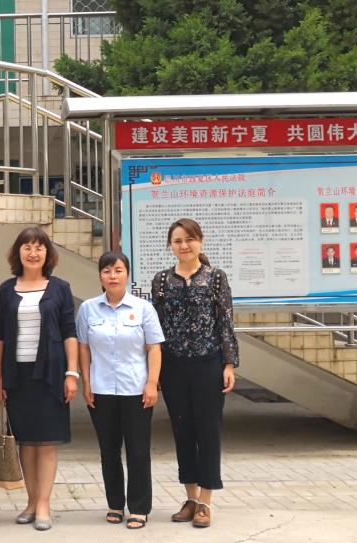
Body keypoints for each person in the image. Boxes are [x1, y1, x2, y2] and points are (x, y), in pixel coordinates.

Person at [151, 218, 239, 529]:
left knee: (208, 430)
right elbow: (156, 328)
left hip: (208, 364)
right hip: (173, 366)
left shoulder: (215, 278)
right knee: (182, 430)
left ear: (200, 241)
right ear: (170, 246)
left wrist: (229, 364)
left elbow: (225, 322)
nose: (184, 245)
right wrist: (154, 371)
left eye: (189, 239)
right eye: (177, 241)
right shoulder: (162, 280)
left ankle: (205, 502)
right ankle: (190, 497)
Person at [0, 226, 79, 531]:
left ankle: (44, 505)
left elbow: (70, 332)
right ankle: (30, 502)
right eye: (27, 247)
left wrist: (71, 373)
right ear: (18, 253)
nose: (33, 252)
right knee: (26, 443)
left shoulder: (60, 288)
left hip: (51, 375)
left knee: (47, 442)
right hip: (18, 376)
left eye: (39, 247)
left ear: (47, 253)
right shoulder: (6, 290)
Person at [77, 252, 164, 530]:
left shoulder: (143, 308)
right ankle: (115, 504)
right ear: (100, 276)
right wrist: (86, 383)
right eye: (106, 271)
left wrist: (152, 383)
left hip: (135, 390)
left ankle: (139, 508)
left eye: (118, 270)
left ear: (127, 274)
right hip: (101, 390)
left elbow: (154, 348)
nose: (112, 276)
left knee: (138, 451)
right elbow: (83, 348)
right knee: (109, 450)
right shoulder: (88, 309)